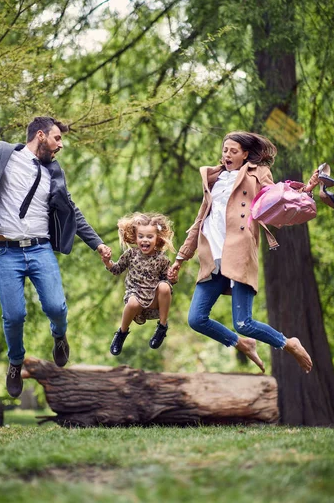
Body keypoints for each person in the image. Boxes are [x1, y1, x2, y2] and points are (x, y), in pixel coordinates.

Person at [0, 84, 111, 397]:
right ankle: (15, 362)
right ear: (40, 135)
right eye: (57, 137)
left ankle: (60, 335)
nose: (60, 145)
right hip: (5, 252)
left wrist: (98, 244)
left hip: (40, 250)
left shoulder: (55, 172)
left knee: (55, 307)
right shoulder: (1, 153)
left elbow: (72, 211)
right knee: (13, 316)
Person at [168, 131, 315, 374]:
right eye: (225, 150)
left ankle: (288, 343)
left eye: (233, 151)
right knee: (196, 319)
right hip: (212, 259)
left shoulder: (257, 174)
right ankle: (241, 344)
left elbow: (280, 199)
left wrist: (305, 190)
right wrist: (180, 258)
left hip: (239, 254)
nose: (227, 155)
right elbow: (199, 220)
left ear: (245, 154)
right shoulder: (214, 179)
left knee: (243, 323)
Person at [101, 212, 177, 355]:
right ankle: (121, 333)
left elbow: (168, 279)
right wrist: (107, 261)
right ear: (135, 238)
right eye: (141, 236)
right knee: (133, 303)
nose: (145, 240)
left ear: (157, 238)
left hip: (153, 299)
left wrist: (172, 278)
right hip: (135, 296)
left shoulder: (162, 259)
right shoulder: (131, 254)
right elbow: (116, 269)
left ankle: (162, 326)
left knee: (164, 286)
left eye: (150, 236)